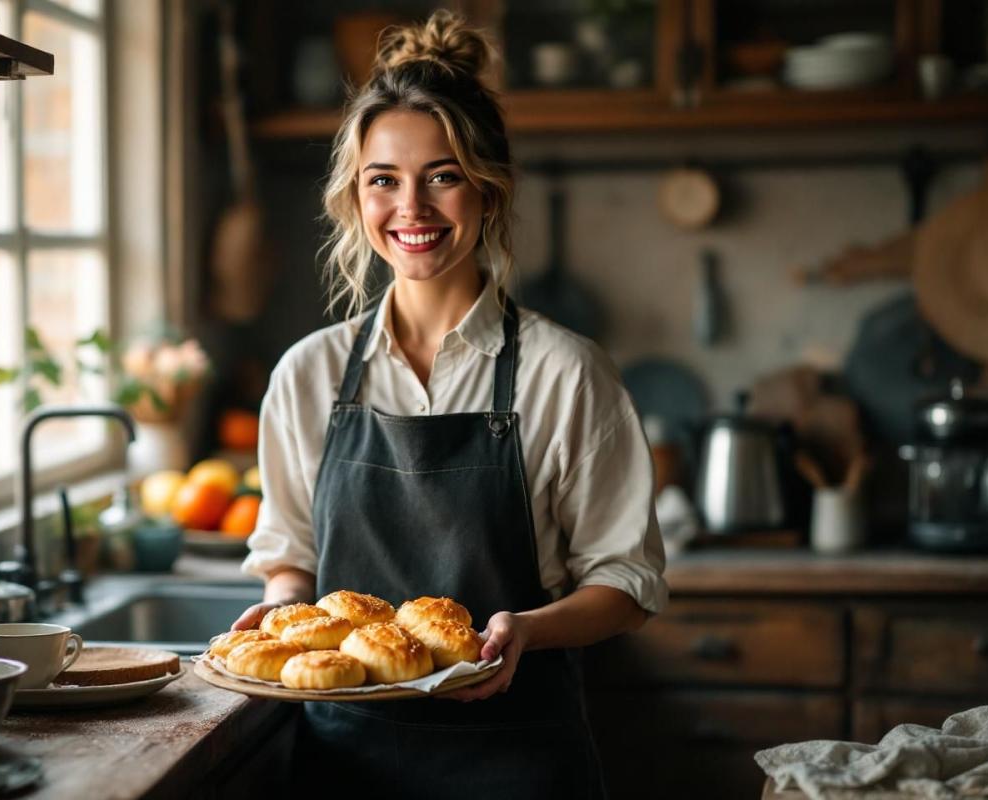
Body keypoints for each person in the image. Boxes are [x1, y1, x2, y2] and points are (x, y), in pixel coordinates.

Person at [231, 10, 667, 798]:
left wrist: (526, 631)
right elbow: (292, 554)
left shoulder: (566, 373)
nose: (413, 208)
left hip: (516, 758)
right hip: (345, 763)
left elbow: (626, 583)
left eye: (443, 175)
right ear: (354, 198)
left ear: (488, 189)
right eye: (383, 180)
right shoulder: (309, 374)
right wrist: (284, 613)